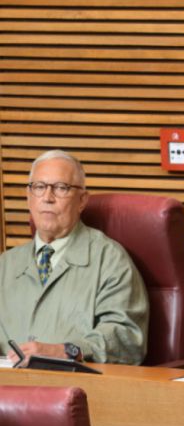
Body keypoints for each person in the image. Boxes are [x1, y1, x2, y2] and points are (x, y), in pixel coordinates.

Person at [0, 149, 148, 365]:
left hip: (80, 389)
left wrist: (67, 351)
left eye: (61, 188)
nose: (48, 198)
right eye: (39, 187)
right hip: (9, 391)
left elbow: (127, 339)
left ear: (82, 200)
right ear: (28, 197)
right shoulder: (5, 264)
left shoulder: (111, 260)